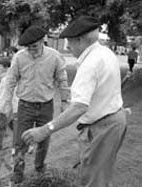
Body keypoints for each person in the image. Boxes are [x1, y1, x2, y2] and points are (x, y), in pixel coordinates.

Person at [22, 16, 128, 187]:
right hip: (113, 120)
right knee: (99, 175)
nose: (68, 47)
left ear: (79, 40)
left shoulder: (90, 64)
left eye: (69, 42)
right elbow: (105, 90)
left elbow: (79, 107)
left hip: (103, 127)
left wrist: (45, 129)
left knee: (94, 181)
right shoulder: (105, 53)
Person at [0, 25, 70, 184]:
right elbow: (10, 81)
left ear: (43, 40)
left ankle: (39, 167)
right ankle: (17, 173)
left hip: (46, 106)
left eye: (34, 46)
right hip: (25, 106)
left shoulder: (55, 57)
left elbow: (62, 80)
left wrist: (64, 101)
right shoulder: (19, 57)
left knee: (44, 140)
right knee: (19, 141)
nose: (31, 50)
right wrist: (6, 103)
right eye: (28, 47)